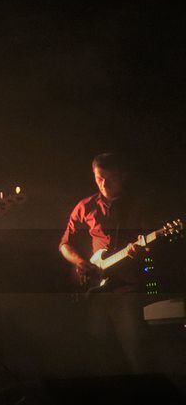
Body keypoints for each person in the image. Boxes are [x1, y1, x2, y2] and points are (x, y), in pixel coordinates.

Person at [59, 152, 153, 373]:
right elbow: (64, 245)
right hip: (95, 291)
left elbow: (150, 244)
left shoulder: (138, 206)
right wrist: (81, 263)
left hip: (127, 289)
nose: (103, 183)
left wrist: (142, 249)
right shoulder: (85, 206)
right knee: (100, 353)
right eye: (98, 178)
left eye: (109, 178)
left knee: (136, 351)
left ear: (122, 176)